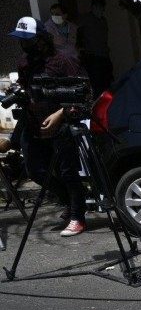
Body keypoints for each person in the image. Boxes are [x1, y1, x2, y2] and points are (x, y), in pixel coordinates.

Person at [9, 16, 90, 237]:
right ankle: (67, 202)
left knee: (68, 171)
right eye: (21, 40)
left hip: (61, 124)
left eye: (29, 40)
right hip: (33, 125)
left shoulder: (63, 61)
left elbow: (81, 94)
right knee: (36, 170)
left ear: (42, 39)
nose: (24, 45)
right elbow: (27, 91)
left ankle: (78, 217)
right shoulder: (24, 63)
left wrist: (60, 114)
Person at [76, 0, 113, 92]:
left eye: (102, 8)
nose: (101, 10)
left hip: (104, 55)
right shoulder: (86, 20)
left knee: (107, 81)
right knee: (96, 83)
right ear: (93, 7)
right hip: (92, 56)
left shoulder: (103, 20)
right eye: (98, 7)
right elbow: (78, 34)